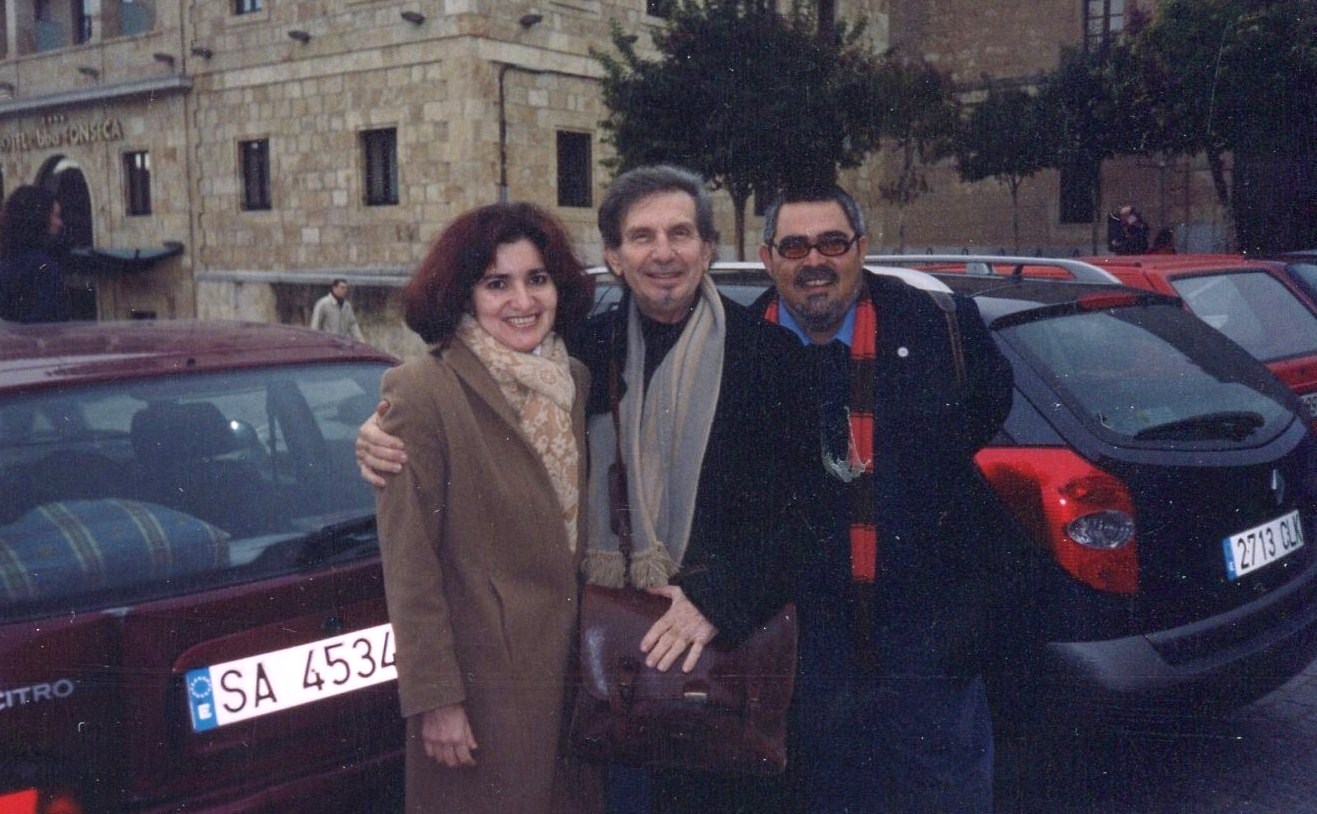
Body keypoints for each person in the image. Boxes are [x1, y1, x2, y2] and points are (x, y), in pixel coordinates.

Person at [361, 166, 811, 814]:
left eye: (680, 233)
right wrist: (376, 432)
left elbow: (809, 519)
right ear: (613, 256)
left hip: (716, 671)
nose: (662, 253)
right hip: (598, 679)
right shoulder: (588, 353)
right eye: (641, 236)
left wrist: (719, 600)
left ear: (708, 248)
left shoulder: (769, 359)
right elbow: (419, 543)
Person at [753, 184, 1013, 813]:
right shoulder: (738, 351)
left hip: (927, 649)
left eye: (832, 243)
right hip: (802, 663)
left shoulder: (938, 328)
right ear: (768, 258)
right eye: (794, 246)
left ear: (861, 249)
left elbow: (980, 414)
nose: (814, 261)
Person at [372, 201, 598, 814]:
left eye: (537, 278)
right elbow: (409, 563)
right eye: (496, 283)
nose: (521, 300)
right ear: (463, 295)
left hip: (571, 677)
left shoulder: (571, 378)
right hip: (482, 690)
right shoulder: (422, 389)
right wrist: (435, 699)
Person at [0, 185, 67, 323]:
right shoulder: (44, 269)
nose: (60, 223)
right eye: (55, 216)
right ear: (38, 218)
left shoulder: (7, 262)